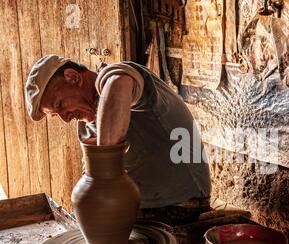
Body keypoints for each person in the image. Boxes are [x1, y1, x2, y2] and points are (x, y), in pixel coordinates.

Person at [25, 55, 211, 224]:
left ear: (73, 77)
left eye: (61, 105)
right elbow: (91, 179)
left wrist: (105, 156)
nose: (66, 118)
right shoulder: (85, 125)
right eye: (57, 115)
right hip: (136, 210)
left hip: (182, 205)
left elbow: (117, 83)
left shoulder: (118, 78)